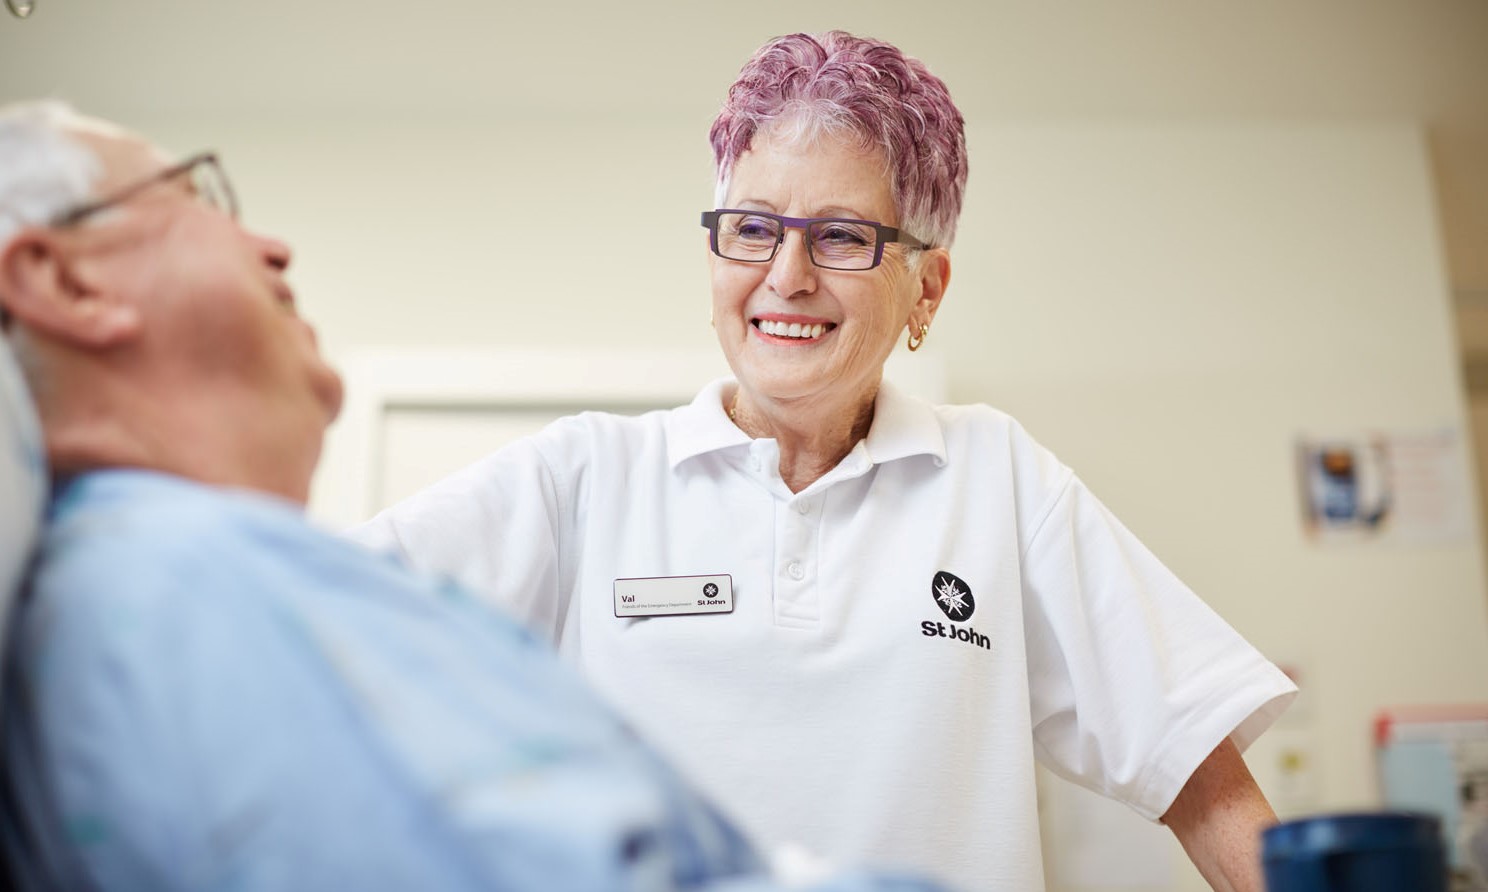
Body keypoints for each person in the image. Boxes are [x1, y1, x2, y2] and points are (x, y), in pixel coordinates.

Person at [351, 30, 1299, 892]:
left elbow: (1205, 785)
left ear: (925, 287)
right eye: (754, 228)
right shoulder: (585, 479)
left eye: (842, 236)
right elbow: (316, 642)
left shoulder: (998, 481)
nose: (786, 276)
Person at [0, 100, 945, 892]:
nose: (273, 244)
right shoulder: (188, 587)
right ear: (63, 279)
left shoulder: (179, 586)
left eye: (843, 237)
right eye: (200, 195)